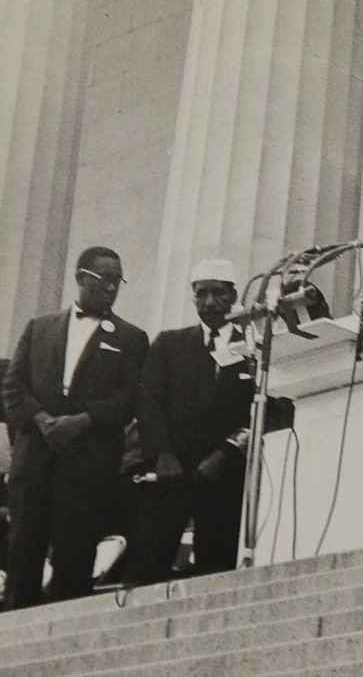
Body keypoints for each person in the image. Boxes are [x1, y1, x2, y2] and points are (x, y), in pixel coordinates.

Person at [123, 259, 293, 585]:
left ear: (233, 296)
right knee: (146, 566)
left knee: (215, 570)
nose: (210, 302)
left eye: (218, 293)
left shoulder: (255, 346)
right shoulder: (169, 344)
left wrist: (225, 453)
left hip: (224, 476)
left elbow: (265, 409)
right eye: (201, 294)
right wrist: (163, 455)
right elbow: (148, 404)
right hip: (170, 474)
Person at [1, 247, 149, 608]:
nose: (112, 287)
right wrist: (43, 421)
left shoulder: (131, 338)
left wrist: (81, 422)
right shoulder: (39, 328)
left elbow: (129, 397)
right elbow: (13, 385)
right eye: (105, 279)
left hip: (88, 465)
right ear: (81, 277)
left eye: (118, 280)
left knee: (74, 559)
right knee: (23, 556)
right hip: (35, 459)